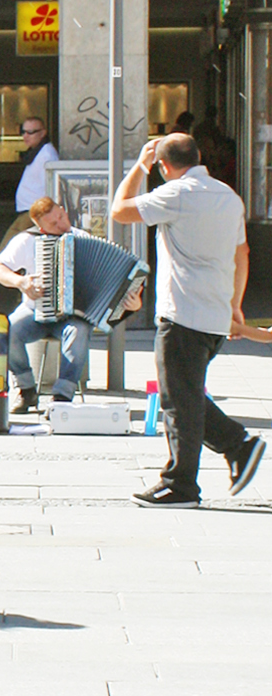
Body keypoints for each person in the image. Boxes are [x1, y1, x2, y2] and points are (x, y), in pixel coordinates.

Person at [112, 133, 264, 507]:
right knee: (184, 394)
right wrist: (234, 305)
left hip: (182, 313)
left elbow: (119, 210)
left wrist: (139, 167)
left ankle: (181, 484)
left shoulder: (175, 194)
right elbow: (241, 253)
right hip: (213, 313)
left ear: (164, 166)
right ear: (198, 156)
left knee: (178, 401)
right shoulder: (228, 197)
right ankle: (238, 446)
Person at [0, 196, 109, 413]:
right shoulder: (26, 240)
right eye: (53, 224)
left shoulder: (82, 238)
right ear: (40, 226)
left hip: (71, 316)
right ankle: (26, 390)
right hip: (34, 311)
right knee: (5, 330)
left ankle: (62, 396)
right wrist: (21, 281)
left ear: (63, 210)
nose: (62, 225)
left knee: (79, 331)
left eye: (61, 217)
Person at [0, 116, 60, 254]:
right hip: (28, 211)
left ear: (43, 133)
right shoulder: (37, 152)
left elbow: (52, 186)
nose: (25, 136)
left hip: (33, 212)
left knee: (6, 253)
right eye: (23, 131)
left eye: (31, 132)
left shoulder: (46, 154)